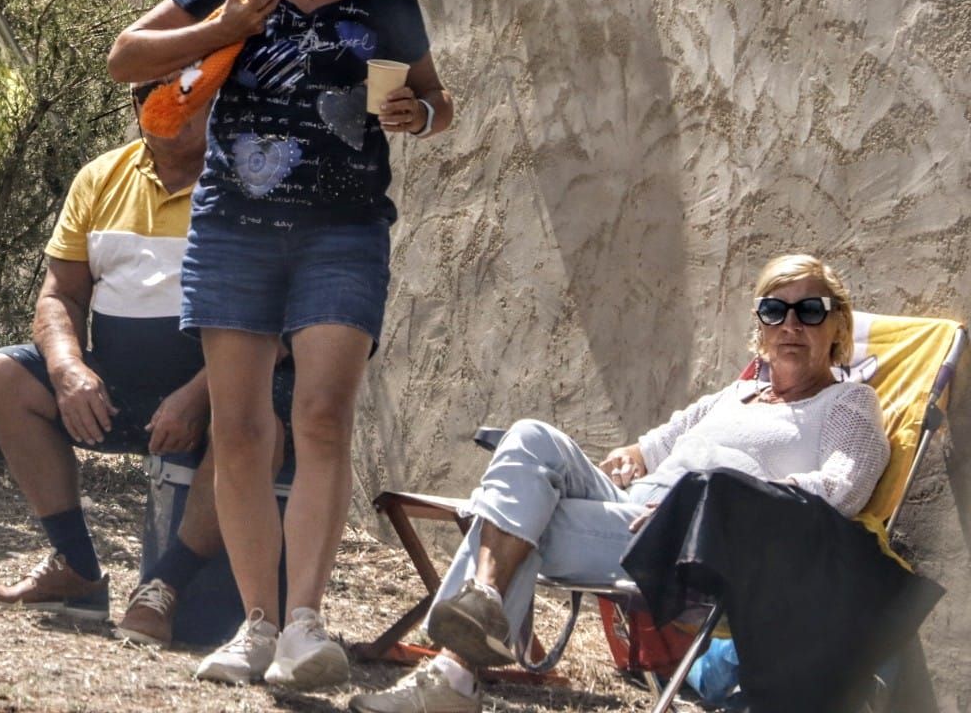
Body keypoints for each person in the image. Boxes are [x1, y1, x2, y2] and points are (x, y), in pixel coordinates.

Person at [108, 0, 452, 689]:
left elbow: (434, 97)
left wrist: (421, 115)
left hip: (345, 228)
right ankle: (254, 626)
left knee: (324, 417)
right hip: (233, 225)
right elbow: (125, 57)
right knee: (240, 427)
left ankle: (304, 622)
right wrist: (222, 25)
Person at [350, 254, 890, 713]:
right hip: (633, 511)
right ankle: (485, 600)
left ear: (837, 326)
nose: (791, 324)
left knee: (506, 518)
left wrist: (699, 506)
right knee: (531, 436)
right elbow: (656, 444)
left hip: (691, 547)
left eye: (810, 311)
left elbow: (843, 490)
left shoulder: (846, 403)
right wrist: (632, 456)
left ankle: (452, 673)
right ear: (761, 325)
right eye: (776, 310)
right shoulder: (738, 394)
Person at [0, 80, 284, 645]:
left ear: (218, 101)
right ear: (136, 105)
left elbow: (276, 317)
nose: (168, 111)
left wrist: (198, 395)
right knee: (3, 376)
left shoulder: (251, 179)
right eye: (151, 96)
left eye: (189, 98)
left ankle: (164, 584)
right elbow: (58, 295)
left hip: (218, 390)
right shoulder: (100, 176)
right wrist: (68, 368)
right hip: (116, 387)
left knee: (256, 419)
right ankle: (77, 569)